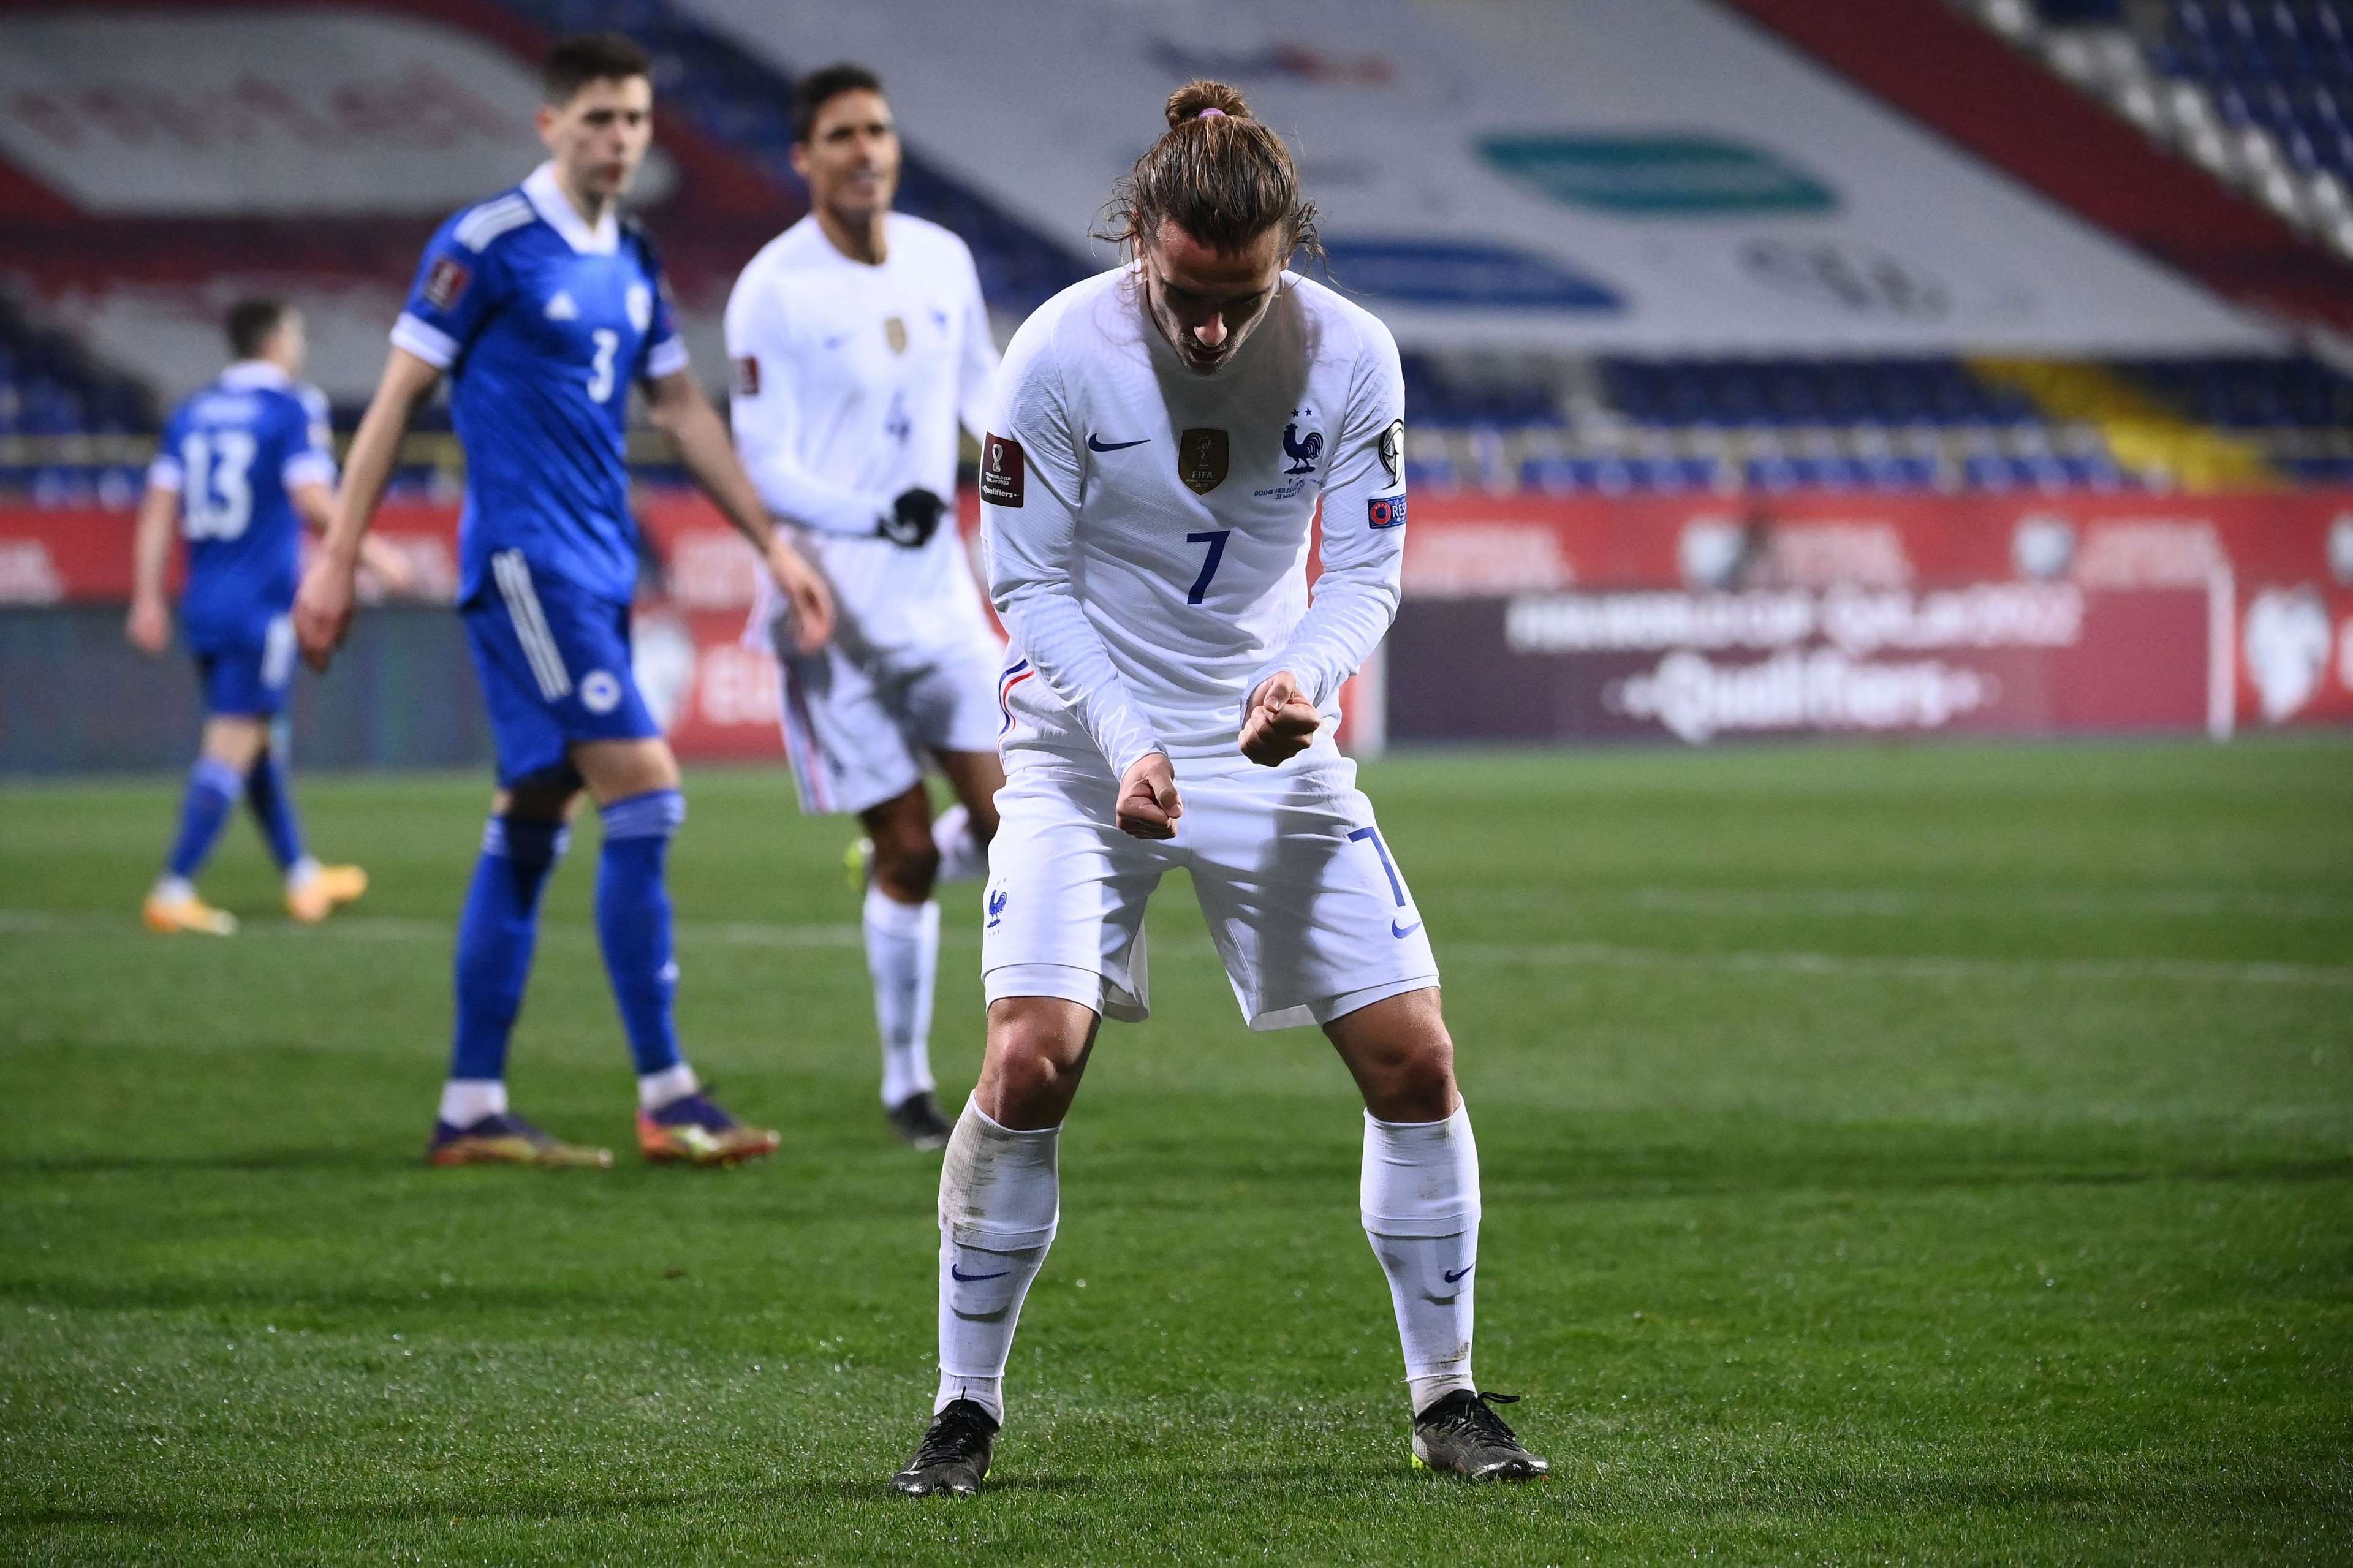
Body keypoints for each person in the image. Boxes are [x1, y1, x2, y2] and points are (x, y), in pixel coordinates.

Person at [889, 82, 1548, 1495]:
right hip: (1078, 742)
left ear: (1285, 258)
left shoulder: (1352, 353)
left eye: (1238, 298)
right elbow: (1027, 581)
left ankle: (1447, 1397)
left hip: (1265, 737)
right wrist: (1125, 733)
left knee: (1415, 1058)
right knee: (1028, 1060)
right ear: (1141, 237)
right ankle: (962, 1406)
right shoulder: (1053, 356)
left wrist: (1301, 676)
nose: (1208, 326)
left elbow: (1362, 568)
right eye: (1187, 291)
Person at [293, 32, 836, 1170]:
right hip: (528, 566)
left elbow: (683, 413)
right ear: (551, 126)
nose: (619, 139)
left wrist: (773, 544)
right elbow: (396, 398)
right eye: (597, 119)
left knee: (533, 818)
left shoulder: (630, 254)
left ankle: (472, 1104)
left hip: (596, 568)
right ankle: (669, 1091)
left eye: (634, 120)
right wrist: (339, 555)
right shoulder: (488, 242)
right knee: (647, 791)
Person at [724, 63, 1010, 1151]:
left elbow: (985, 391)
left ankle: (947, 843)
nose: (865, 150)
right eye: (842, 134)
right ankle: (907, 1085)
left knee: (1010, 823)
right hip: (828, 611)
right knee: (899, 853)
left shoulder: (943, 258)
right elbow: (764, 463)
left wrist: (1040, 463)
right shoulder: (772, 291)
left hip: (936, 590)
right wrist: (867, 509)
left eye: (878, 131)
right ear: (804, 156)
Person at [128, 300, 407, 934]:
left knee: (256, 744)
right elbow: (312, 498)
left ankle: (301, 876)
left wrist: (147, 597)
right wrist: (374, 552)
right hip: (260, 605)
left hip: (204, 600)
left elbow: (157, 509)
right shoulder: (291, 406)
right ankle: (173, 888)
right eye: (298, 330)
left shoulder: (192, 412)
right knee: (233, 743)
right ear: (277, 339)